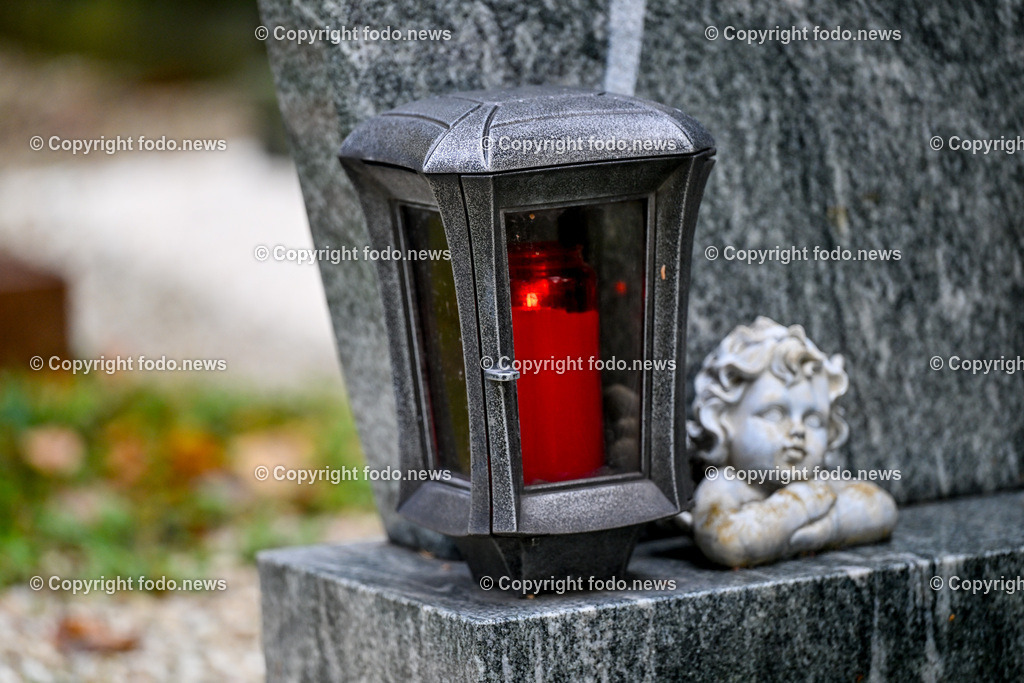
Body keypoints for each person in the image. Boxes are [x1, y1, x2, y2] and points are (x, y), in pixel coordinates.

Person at [685, 317, 898, 567]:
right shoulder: (726, 484)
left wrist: (828, 528)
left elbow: (882, 508)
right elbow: (727, 541)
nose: (798, 431)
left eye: (814, 420)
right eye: (775, 414)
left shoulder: (812, 481)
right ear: (722, 421)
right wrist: (800, 504)